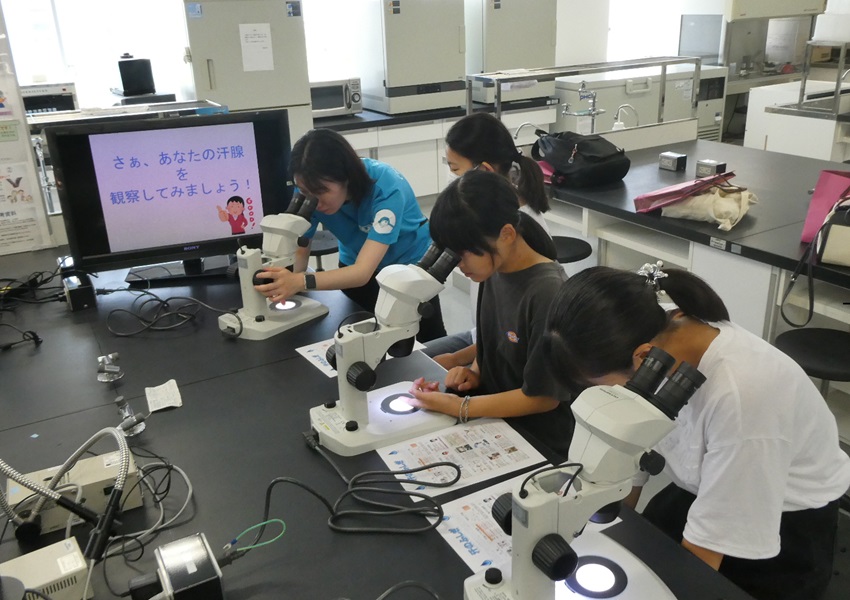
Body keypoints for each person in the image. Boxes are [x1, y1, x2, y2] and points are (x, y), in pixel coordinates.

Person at [543, 263, 850, 600]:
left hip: (782, 524)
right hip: (700, 485)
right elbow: (629, 455)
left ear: (643, 358)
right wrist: (600, 530)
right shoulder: (657, 332)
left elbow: (701, 560)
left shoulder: (743, 395)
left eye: (603, 387)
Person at [408, 170, 574, 459]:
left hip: (536, 436)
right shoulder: (494, 269)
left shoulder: (547, 292)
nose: (459, 265)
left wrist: (460, 407)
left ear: (506, 234)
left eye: (464, 254)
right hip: (492, 414)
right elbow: (500, 338)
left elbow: (543, 398)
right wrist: (474, 371)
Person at [253, 128, 446, 342]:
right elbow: (301, 248)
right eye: (305, 192)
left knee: (423, 342)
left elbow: (362, 272)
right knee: (355, 336)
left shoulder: (386, 188)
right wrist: (284, 282)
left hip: (406, 266)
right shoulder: (309, 189)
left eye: (321, 192)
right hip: (354, 260)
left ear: (346, 176)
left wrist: (299, 281)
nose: (314, 201)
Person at [425, 112, 555, 368]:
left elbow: (518, 345)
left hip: (498, 348)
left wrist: (468, 368)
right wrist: (465, 363)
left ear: (484, 170)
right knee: (415, 362)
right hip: (486, 339)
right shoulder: (488, 229)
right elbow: (496, 331)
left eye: (454, 169)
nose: (452, 177)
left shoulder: (511, 238)